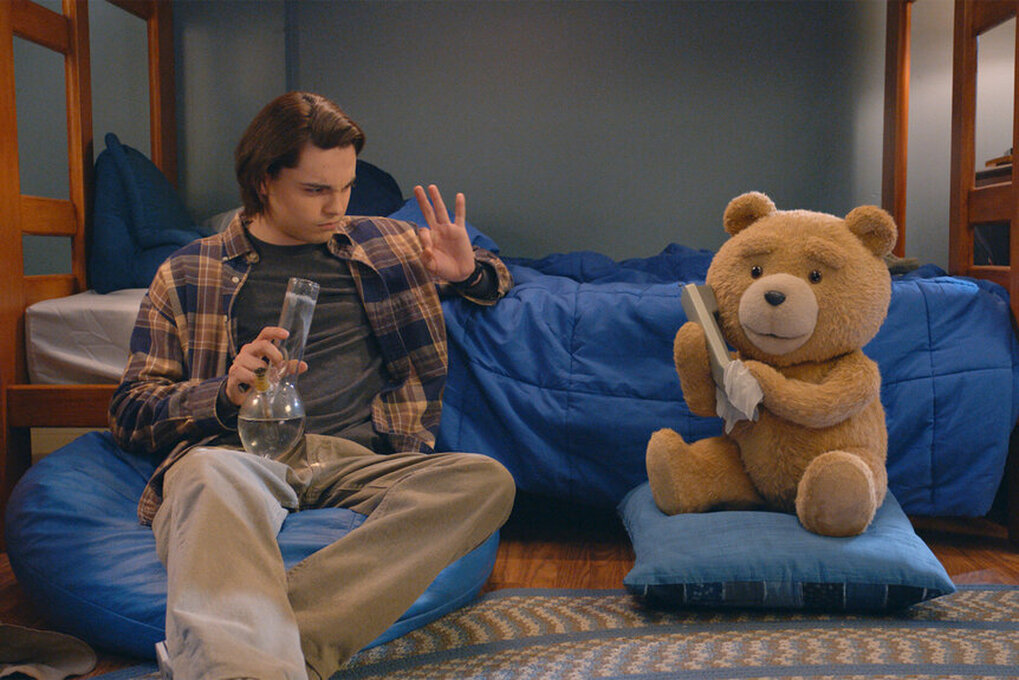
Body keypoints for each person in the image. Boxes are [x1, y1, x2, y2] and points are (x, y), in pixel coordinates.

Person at [109, 91, 516, 680]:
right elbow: (130, 411)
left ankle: (249, 652)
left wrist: (470, 272)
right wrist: (225, 393)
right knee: (201, 476)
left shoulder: (387, 242)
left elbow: (496, 280)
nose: (337, 207)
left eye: (347, 187)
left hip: (356, 457)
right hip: (239, 454)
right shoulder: (188, 271)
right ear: (263, 181)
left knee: (485, 480)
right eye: (316, 189)